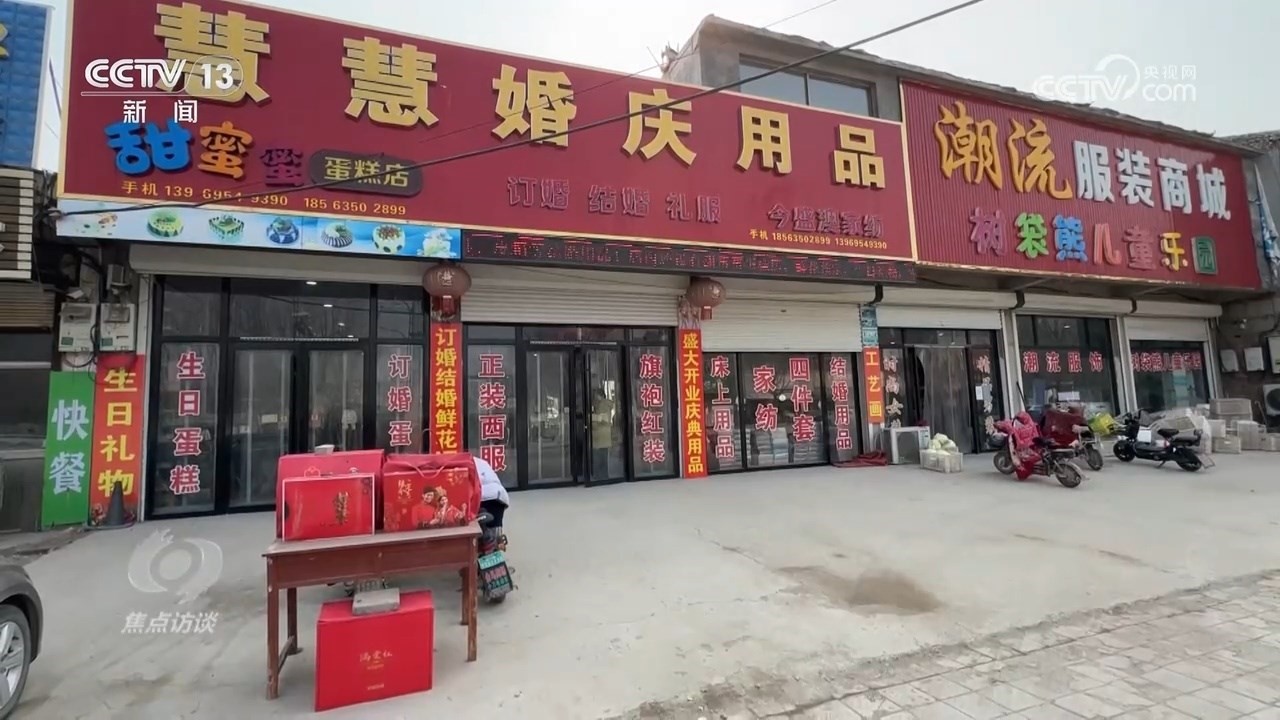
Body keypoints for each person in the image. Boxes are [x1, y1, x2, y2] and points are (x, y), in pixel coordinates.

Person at [473, 454, 509, 528]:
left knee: (477, 528)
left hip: (481, 497)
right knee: (495, 527)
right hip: (498, 496)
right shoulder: (481, 462)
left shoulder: (463, 463)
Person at [590, 388, 614, 480]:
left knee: (598, 457)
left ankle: (599, 476)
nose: (594, 397)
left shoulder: (602, 405)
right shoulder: (605, 404)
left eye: (595, 395)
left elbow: (602, 419)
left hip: (599, 435)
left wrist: (591, 419)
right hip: (605, 435)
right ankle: (604, 476)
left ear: (599, 395)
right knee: (603, 457)